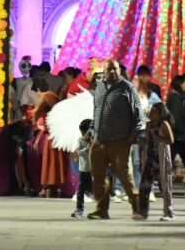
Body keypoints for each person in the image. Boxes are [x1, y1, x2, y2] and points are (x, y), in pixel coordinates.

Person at [88, 59, 143, 220]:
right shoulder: (99, 87)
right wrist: (91, 130)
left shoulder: (127, 88)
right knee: (97, 175)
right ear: (103, 72)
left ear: (119, 70)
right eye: (108, 69)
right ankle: (101, 209)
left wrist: (134, 133)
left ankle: (137, 206)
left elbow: (138, 113)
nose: (112, 72)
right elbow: (96, 111)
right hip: (99, 140)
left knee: (125, 175)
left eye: (115, 69)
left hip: (120, 141)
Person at [134, 102, 175, 221]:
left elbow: (171, 140)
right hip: (151, 158)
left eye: (155, 111)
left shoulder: (164, 124)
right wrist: (139, 140)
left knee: (165, 187)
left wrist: (158, 138)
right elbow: (147, 141)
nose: (152, 113)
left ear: (160, 114)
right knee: (144, 185)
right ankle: (143, 212)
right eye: (151, 111)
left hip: (161, 159)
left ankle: (169, 212)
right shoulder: (149, 125)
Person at [166, 75, 185, 174]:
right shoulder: (175, 98)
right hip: (176, 134)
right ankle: (161, 175)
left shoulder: (177, 97)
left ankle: (162, 175)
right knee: (173, 155)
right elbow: (175, 117)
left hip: (177, 134)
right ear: (180, 84)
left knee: (182, 155)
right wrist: (179, 130)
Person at [71, 119, 93, 218]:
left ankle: (103, 208)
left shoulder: (95, 140)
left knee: (98, 189)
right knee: (80, 190)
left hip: (93, 169)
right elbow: (79, 152)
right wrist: (88, 148)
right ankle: (79, 208)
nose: (83, 134)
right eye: (82, 132)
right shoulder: (81, 140)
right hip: (83, 169)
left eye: (85, 132)